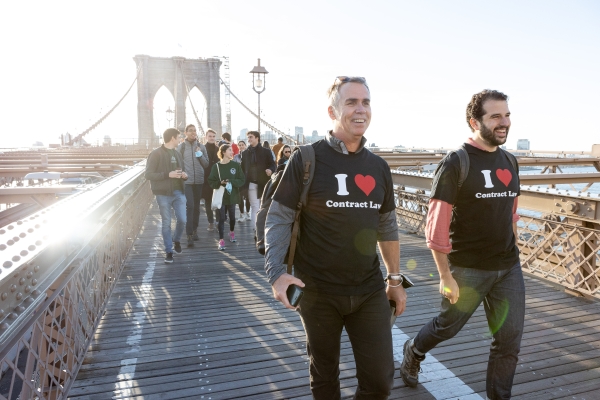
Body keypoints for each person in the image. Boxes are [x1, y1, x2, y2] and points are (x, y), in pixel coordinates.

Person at [265, 76, 407, 399]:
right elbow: (279, 218)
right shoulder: (306, 159)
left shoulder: (379, 167)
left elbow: (387, 226)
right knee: (325, 375)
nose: (361, 109)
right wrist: (276, 273)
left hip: (369, 289)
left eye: (366, 102)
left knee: (380, 382)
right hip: (317, 290)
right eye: (351, 102)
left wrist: (395, 280)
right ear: (332, 111)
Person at [400, 89, 524, 400]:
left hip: (508, 267)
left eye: (506, 115)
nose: (504, 122)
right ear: (474, 122)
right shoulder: (457, 162)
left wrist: (514, 244)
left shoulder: (510, 161)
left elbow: (512, 211)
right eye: (495, 116)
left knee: (508, 342)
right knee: (447, 326)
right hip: (467, 268)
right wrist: (445, 275)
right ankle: (414, 350)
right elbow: (436, 226)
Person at [145, 128, 188, 264]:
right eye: (179, 137)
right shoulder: (155, 154)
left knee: (182, 220)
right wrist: (166, 175)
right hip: (163, 193)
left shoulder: (177, 154)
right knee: (166, 223)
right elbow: (148, 174)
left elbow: (181, 171)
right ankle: (169, 251)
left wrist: (184, 176)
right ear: (172, 138)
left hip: (179, 191)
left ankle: (176, 240)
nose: (180, 139)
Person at [208, 144, 245, 250]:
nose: (232, 152)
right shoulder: (216, 166)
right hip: (221, 196)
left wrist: (231, 181)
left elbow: (242, 179)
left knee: (232, 217)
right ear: (223, 152)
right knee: (221, 218)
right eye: (230, 150)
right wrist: (220, 183)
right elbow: (211, 181)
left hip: (232, 196)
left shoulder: (236, 165)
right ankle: (221, 240)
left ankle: (231, 232)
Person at [178, 124, 209, 248]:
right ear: (185, 133)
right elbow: (177, 165)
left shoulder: (201, 147)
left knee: (197, 207)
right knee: (190, 206)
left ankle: (195, 230)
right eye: (190, 131)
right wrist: (182, 174)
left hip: (199, 181)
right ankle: (189, 234)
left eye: (195, 131)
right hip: (187, 182)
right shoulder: (181, 147)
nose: (193, 133)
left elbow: (206, 164)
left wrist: (200, 154)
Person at [240, 131, 276, 228]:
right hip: (250, 184)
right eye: (248, 137)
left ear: (257, 138)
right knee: (255, 206)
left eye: (251, 137)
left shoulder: (266, 152)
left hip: (264, 183)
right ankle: (256, 230)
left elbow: (273, 165)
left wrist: (271, 170)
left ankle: (264, 228)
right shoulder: (244, 153)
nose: (249, 139)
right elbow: (242, 169)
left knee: (264, 206)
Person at [201, 129, 220, 231]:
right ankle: (211, 222)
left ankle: (218, 221)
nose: (212, 138)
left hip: (217, 179)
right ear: (206, 137)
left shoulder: (219, 149)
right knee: (208, 202)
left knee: (217, 201)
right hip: (206, 179)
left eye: (213, 136)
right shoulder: (202, 149)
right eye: (210, 136)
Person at [234, 140, 251, 222]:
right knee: (240, 197)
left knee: (248, 197)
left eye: (242, 145)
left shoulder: (249, 156)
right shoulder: (236, 157)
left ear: (245, 145)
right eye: (239, 145)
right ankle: (241, 213)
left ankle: (248, 213)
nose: (241, 146)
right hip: (239, 179)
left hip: (247, 179)